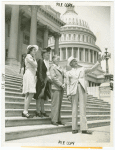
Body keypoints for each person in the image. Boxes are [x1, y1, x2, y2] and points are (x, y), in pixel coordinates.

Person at [66, 54, 102, 134]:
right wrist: (68, 94)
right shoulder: (68, 73)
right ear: (70, 64)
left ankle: (84, 128)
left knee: (83, 108)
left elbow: (92, 69)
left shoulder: (82, 69)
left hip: (82, 89)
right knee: (74, 109)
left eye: (76, 61)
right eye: (73, 61)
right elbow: (67, 84)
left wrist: (98, 62)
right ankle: (74, 128)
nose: (76, 62)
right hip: (73, 90)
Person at [34, 47, 52, 117]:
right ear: (43, 55)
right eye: (47, 54)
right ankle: (38, 111)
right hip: (41, 81)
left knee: (43, 96)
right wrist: (42, 81)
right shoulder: (40, 61)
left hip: (46, 81)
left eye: (48, 54)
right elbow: (39, 71)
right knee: (39, 96)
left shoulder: (48, 63)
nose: (48, 55)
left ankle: (43, 111)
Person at [22, 45, 38, 118]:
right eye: (34, 50)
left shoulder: (32, 57)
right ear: (30, 50)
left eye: (35, 50)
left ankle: (25, 111)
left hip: (31, 74)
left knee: (28, 93)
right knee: (31, 92)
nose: (35, 51)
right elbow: (35, 65)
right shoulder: (29, 56)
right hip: (29, 74)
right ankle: (25, 111)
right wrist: (34, 59)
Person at [49, 55, 65, 126]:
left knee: (59, 104)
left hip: (60, 88)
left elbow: (63, 76)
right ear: (53, 60)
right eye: (57, 58)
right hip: (55, 87)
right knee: (55, 104)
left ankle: (58, 119)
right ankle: (54, 120)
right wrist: (61, 84)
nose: (58, 59)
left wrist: (63, 84)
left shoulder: (60, 68)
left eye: (59, 58)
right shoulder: (52, 67)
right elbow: (53, 78)